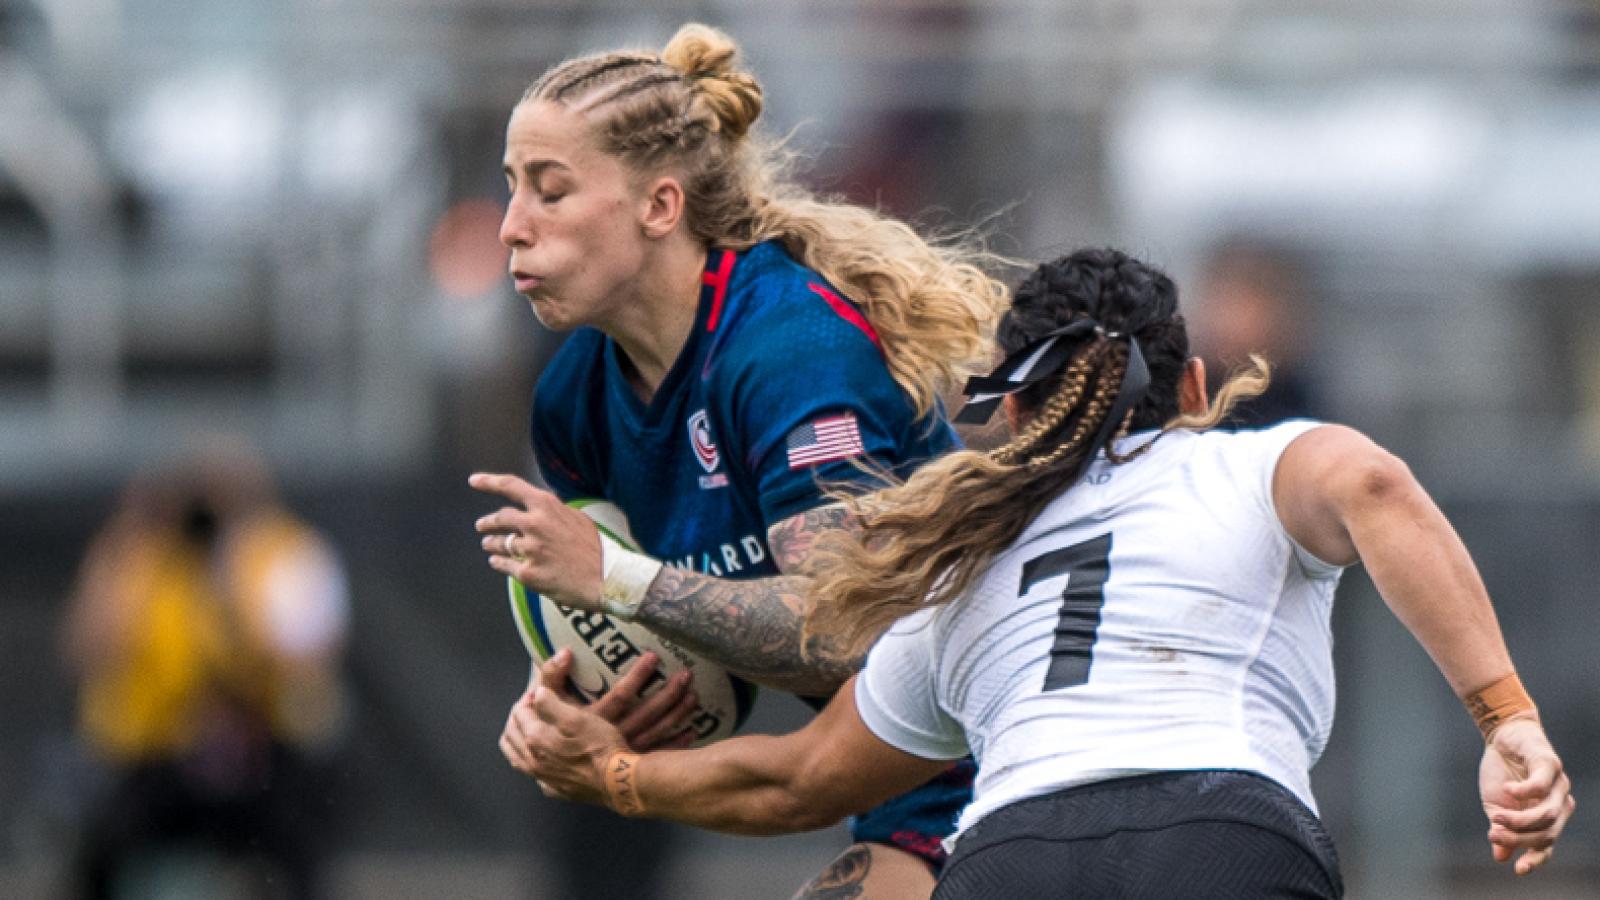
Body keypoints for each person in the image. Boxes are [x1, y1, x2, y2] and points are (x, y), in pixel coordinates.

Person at [498, 249, 1575, 898]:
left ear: (1010, 406)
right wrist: (1505, 716)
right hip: (1221, 836)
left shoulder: (961, 560)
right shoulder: (1242, 466)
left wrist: (615, 775)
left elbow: (801, 778)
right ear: (1193, 383)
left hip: (1011, 856)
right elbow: (1376, 487)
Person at [468, 22, 1010, 900]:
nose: (510, 229)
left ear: (660, 207)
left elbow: (840, 633)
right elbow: (635, 639)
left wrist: (617, 580)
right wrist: (565, 706)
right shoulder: (572, 397)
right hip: (903, 778)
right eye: (510, 188)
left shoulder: (789, 348)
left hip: (1019, 752)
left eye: (550, 191)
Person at [61, 447, 350, 900]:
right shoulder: (148, 559)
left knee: (298, 847)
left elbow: (306, 657)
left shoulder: (278, 555)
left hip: (261, 754)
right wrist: (129, 548)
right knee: (102, 845)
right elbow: (91, 648)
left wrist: (233, 574)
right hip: (158, 754)